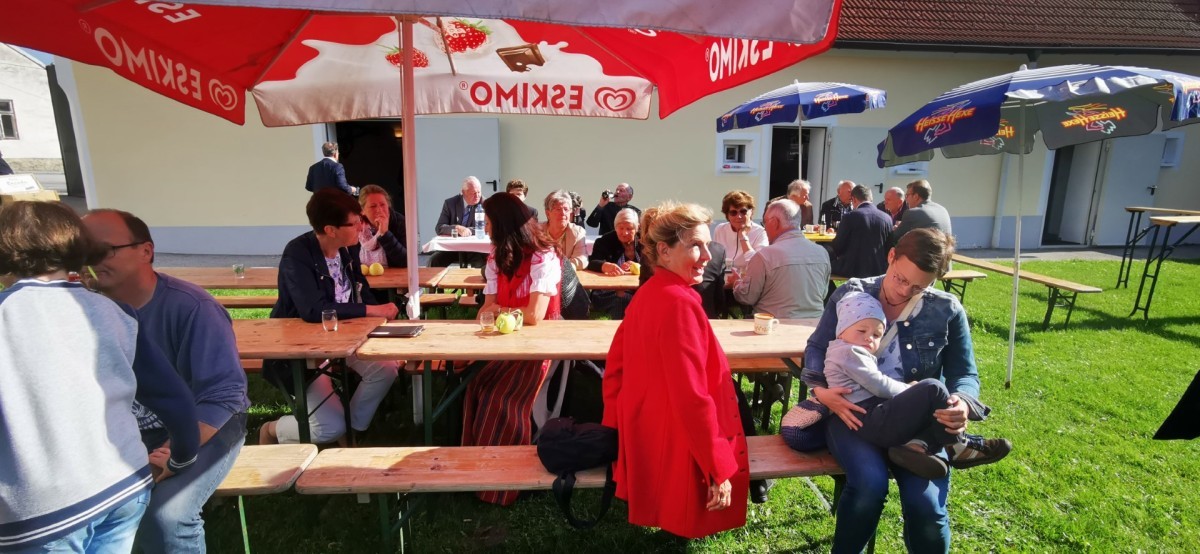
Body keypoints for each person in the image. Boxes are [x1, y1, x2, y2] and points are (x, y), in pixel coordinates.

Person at [0, 201, 199, 552]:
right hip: (123, 483)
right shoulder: (114, 312)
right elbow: (173, 398)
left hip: (42, 506)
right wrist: (182, 455)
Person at [803, 228, 1005, 553]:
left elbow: (964, 373)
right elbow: (816, 347)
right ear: (891, 256)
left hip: (916, 427)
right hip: (852, 413)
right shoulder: (853, 293)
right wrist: (820, 391)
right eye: (900, 278)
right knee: (868, 486)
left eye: (919, 287)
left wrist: (962, 405)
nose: (904, 291)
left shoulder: (946, 309)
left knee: (927, 507)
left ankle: (949, 447)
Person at [82, 209, 250, 554]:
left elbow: (224, 395)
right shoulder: (82, 310)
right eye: (80, 252)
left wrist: (176, 450)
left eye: (101, 250)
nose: (90, 261)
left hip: (204, 426)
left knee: (167, 518)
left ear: (146, 250)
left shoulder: (192, 308)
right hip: (123, 431)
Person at [603, 201, 749, 538]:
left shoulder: (649, 293)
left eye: (708, 245)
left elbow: (615, 371)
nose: (708, 257)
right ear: (664, 252)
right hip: (674, 435)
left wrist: (618, 431)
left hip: (649, 427)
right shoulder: (679, 304)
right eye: (696, 246)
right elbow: (691, 397)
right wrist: (717, 467)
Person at [799, 291, 1010, 479]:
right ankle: (956, 445)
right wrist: (909, 388)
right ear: (841, 330)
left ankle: (915, 448)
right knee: (934, 388)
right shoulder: (849, 352)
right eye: (861, 330)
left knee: (927, 408)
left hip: (866, 417)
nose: (869, 338)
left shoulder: (841, 349)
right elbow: (879, 385)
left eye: (876, 335)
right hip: (869, 417)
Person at [259, 189, 400, 445]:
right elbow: (314, 310)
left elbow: (362, 291)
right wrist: (373, 310)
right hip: (303, 352)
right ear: (330, 230)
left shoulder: (346, 249)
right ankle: (271, 429)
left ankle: (350, 429)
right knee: (327, 429)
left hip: (346, 338)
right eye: (354, 223)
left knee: (386, 368)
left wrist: (386, 326)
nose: (361, 227)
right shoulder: (297, 254)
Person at [464, 192, 561, 506]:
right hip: (508, 339)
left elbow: (535, 316)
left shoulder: (543, 256)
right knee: (475, 386)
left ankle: (501, 485)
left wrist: (499, 310)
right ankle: (472, 472)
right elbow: (486, 309)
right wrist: (498, 311)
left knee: (500, 397)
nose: (486, 227)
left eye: (489, 221)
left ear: (503, 223)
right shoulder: (498, 255)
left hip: (540, 344)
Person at [731, 199, 829, 319]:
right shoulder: (822, 252)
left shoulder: (764, 256)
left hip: (773, 325)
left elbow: (747, 298)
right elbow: (823, 293)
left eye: (764, 223)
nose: (765, 229)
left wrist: (736, 283)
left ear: (774, 222)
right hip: (814, 325)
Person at [587, 207, 642, 319]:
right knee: (622, 297)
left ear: (637, 228)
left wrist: (640, 266)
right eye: (621, 228)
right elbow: (592, 262)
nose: (624, 232)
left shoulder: (644, 241)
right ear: (615, 227)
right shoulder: (605, 241)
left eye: (629, 228)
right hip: (609, 289)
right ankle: (621, 326)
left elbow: (655, 263)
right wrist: (605, 266)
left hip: (638, 287)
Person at [831, 184, 893, 279]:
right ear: (871, 198)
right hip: (879, 270)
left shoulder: (849, 217)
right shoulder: (887, 218)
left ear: (854, 199)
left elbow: (838, 246)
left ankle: (831, 288)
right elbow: (889, 248)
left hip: (852, 269)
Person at [431, 176, 486, 267]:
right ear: (463, 193)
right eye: (473, 193)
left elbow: (486, 228)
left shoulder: (485, 204)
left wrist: (466, 230)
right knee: (434, 260)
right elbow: (439, 228)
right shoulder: (450, 203)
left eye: (479, 192)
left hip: (475, 249)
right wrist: (456, 228)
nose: (477, 196)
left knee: (480, 264)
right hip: (453, 247)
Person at [712, 190, 769, 275]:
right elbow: (715, 260)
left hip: (747, 279)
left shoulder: (760, 232)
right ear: (727, 215)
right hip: (723, 279)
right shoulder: (720, 229)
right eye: (733, 212)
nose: (739, 216)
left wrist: (743, 237)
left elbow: (759, 264)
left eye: (743, 211)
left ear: (751, 212)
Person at [357, 184, 408, 268]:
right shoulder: (356, 226)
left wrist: (385, 234)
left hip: (394, 274)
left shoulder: (401, 223)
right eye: (373, 206)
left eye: (382, 205)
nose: (379, 210)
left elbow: (407, 261)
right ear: (362, 211)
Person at [891, 179, 953, 247]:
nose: (906, 199)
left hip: (926, 252)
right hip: (944, 251)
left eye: (907, 195)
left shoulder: (913, 212)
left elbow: (894, 238)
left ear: (916, 196)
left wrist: (895, 229)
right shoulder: (942, 209)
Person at [544, 189, 588, 270]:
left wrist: (564, 267)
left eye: (566, 209)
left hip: (565, 274)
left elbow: (582, 259)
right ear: (548, 213)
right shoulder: (536, 231)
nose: (563, 213)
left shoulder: (578, 232)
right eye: (558, 209)